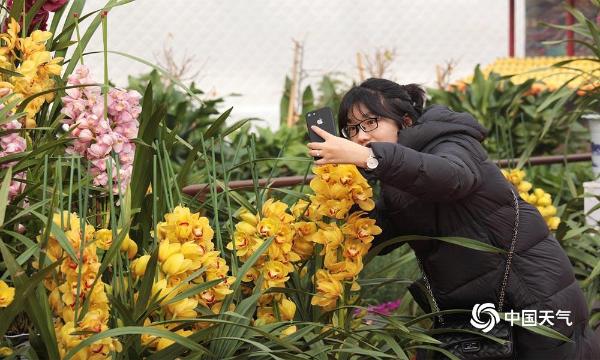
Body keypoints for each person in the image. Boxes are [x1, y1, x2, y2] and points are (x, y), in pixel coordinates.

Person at [306, 78, 600, 359]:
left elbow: (452, 177)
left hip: (531, 295)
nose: (361, 136)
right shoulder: (398, 182)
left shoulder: (451, 142)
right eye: (351, 129)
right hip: (482, 311)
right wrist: (330, 208)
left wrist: (370, 159)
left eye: (370, 122)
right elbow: (379, 231)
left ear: (405, 121)